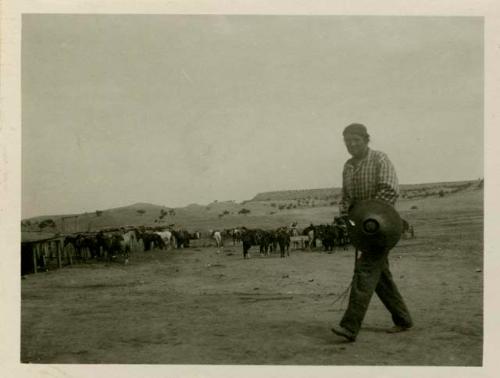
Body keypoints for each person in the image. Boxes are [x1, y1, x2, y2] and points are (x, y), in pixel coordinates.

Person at [331, 123, 413, 342]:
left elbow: (390, 189)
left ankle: (350, 326)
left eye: (356, 140)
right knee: (380, 276)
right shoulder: (348, 166)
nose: (351, 144)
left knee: (365, 271)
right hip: (361, 229)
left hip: (382, 227)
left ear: (366, 140)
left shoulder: (380, 159)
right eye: (347, 141)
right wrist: (347, 216)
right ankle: (403, 319)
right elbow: (346, 196)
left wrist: (369, 214)